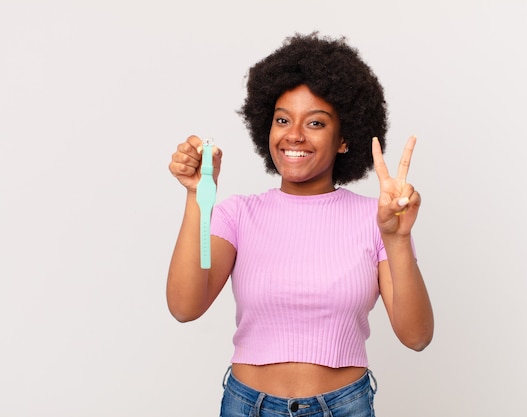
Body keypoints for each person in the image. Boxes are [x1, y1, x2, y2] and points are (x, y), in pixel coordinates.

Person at [167, 32, 434, 417]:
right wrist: (197, 195)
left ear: (344, 139)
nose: (294, 135)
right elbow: (184, 306)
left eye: (315, 123)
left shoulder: (376, 220)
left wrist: (398, 239)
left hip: (344, 406)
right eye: (282, 120)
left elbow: (417, 336)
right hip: (247, 406)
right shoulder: (237, 214)